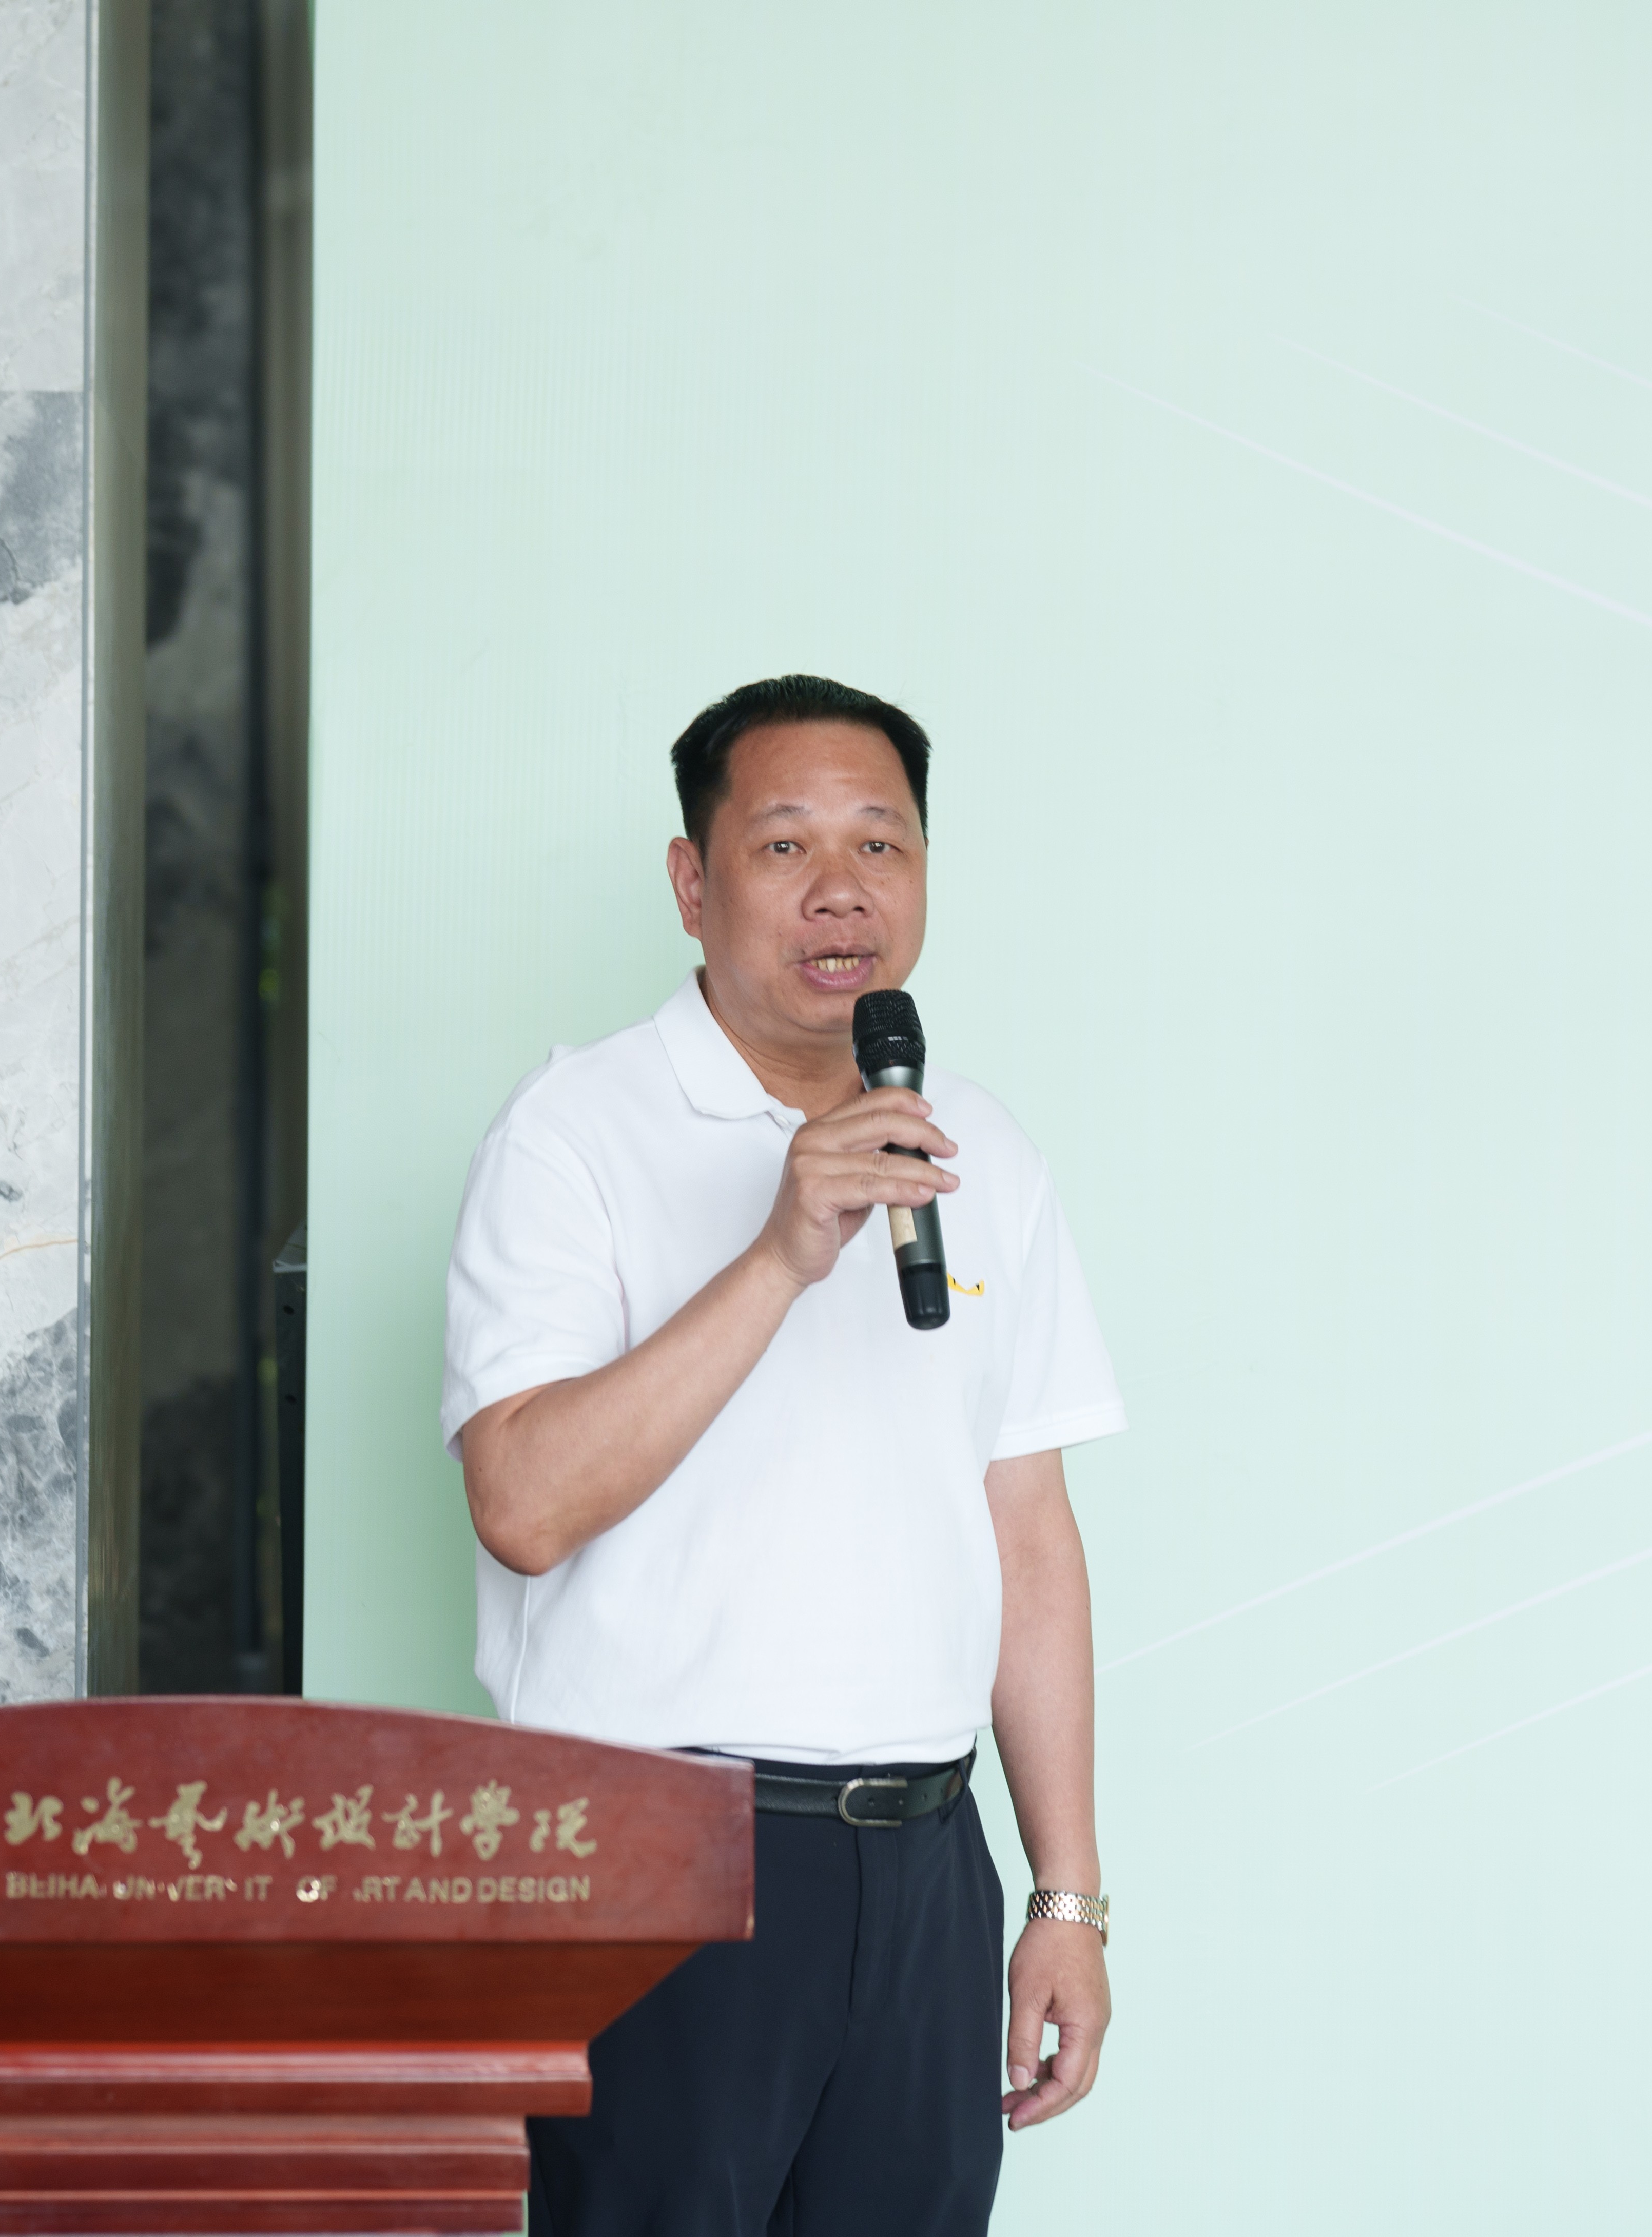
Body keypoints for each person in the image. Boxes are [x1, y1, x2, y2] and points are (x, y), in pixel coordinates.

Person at [441, 674, 1124, 2235]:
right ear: (693, 884)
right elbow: (522, 1506)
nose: (841, 890)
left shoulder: (984, 1148)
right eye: (784, 845)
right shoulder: (573, 1130)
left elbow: (1029, 1534)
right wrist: (777, 1257)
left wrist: (1067, 1897)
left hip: (927, 1865)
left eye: (882, 844)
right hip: (650, 1866)